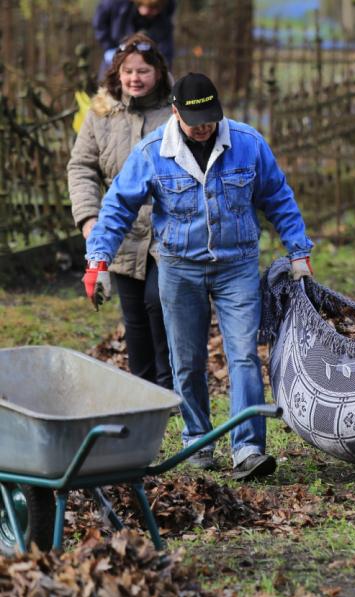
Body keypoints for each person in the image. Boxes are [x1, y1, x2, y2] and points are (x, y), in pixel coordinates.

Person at [83, 72, 314, 481]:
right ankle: (197, 439)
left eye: (210, 116)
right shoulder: (153, 152)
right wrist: (98, 261)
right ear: (175, 113)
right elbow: (117, 205)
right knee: (186, 360)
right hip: (178, 265)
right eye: (195, 120)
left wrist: (299, 251)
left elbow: (278, 196)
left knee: (243, 354)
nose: (204, 126)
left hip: (236, 264)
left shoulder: (247, 143)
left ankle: (248, 448)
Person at [68, 33, 174, 391]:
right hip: (120, 231)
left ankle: (172, 389)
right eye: (128, 71)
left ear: (157, 70)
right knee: (134, 319)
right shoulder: (101, 111)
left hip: (167, 231)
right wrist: (90, 221)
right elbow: (81, 167)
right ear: (117, 72)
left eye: (142, 70)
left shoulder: (176, 111)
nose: (135, 78)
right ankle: (143, 392)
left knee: (157, 305)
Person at [93, 0, 176, 80]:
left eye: (157, 8)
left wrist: (163, 67)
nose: (154, 12)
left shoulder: (165, 10)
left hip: (149, 56)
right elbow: (100, 24)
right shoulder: (115, 3)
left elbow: (165, 46)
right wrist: (108, 46)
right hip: (116, 48)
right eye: (150, 8)